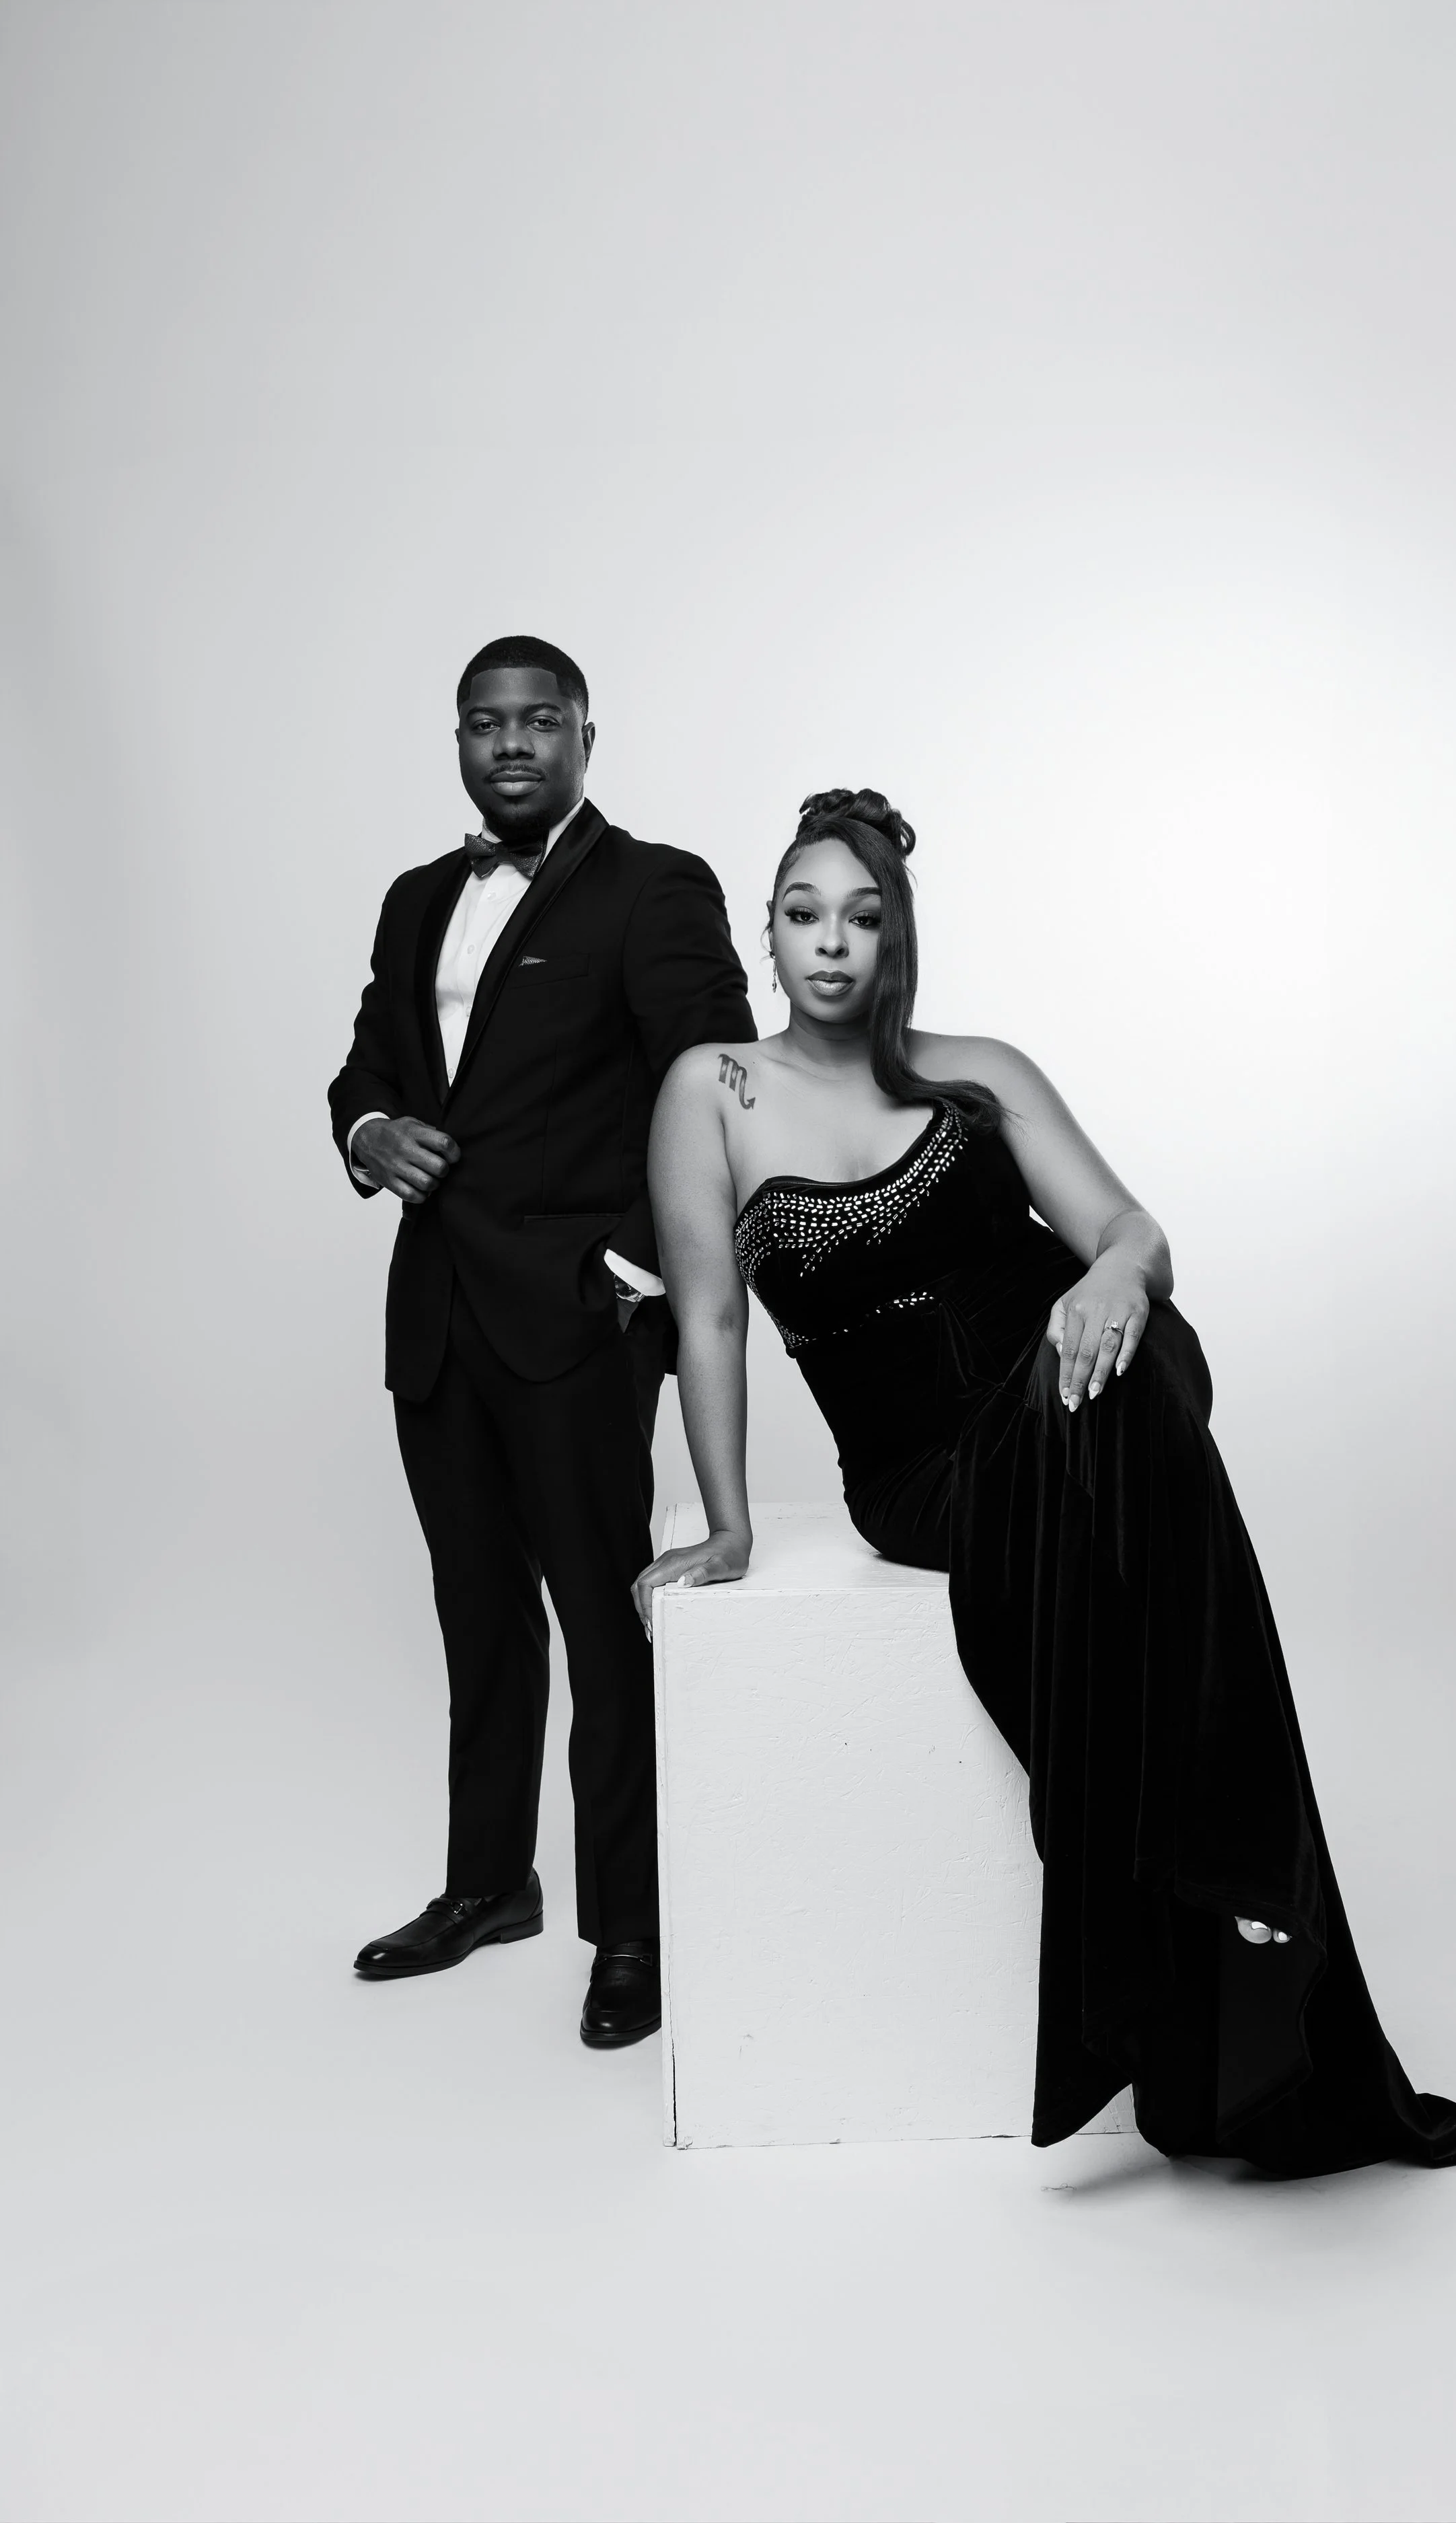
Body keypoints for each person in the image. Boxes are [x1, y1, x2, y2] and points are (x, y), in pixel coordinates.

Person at [634, 787, 1456, 2173]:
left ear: (896, 936)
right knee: (1111, 1436)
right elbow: (709, 1321)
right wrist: (728, 1524)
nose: (830, 945)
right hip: (931, 1472)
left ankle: (1220, 1882)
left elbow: (1131, 1229)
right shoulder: (712, 1092)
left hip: (1095, 1383)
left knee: (1116, 1384)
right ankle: (1241, 1872)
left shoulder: (977, 1070)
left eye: (860, 918)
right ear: (768, 932)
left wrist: (1104, 1275)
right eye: (802, 916)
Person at [328, 634, 754, 2047]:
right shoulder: (412, 901)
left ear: (583, 734)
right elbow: (366, 1065)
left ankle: (626, 1926)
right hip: (437, 1314)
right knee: (474, 1614)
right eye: (482, 723)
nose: (509, 744)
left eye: (538, 721)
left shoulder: (653, 887)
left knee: (600, 1622)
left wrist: (625, 1267)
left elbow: (717, 1084)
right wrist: (369, 1130)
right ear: (457, 740)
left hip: (576, 1317)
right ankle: (485, 1885)